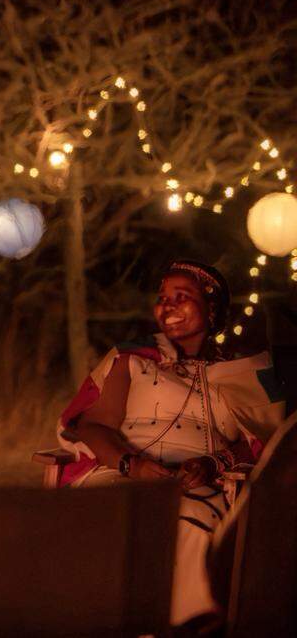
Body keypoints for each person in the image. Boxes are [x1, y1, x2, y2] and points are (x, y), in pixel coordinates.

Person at [57, 259, 286, 627]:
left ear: (211, 310)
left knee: (192, 520)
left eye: (183, 297)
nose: (168, 306)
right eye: (163, 297)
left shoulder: (240, 372)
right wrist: (131, 464)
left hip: (197, 482)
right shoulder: (132, 359)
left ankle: (188, 628)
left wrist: (215, 464)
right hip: (121, 470)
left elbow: (261, 441)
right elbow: (94, 426)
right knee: (106, 516)